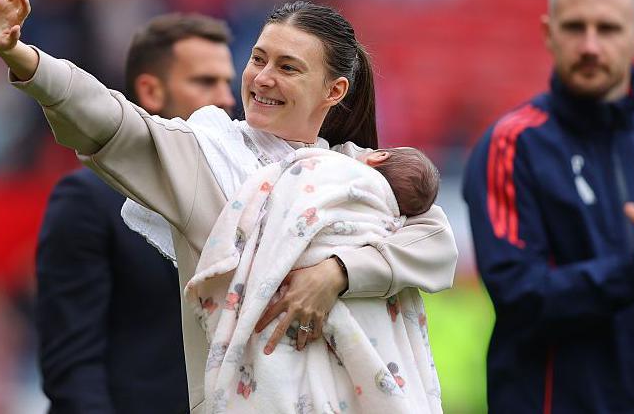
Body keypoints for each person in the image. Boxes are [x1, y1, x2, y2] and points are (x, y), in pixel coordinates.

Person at [0, 0, 458, 412]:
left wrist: (338, 272)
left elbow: (436, 244)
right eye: (258, 59)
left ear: (333, 92)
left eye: (289, 67)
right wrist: (24, 58)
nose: (263, 78)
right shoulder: (205, 155)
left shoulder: (360, 170)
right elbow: (113, 120)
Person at [462, 0, 634, 412]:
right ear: (549, 33)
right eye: (575, 27)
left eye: (608, 28)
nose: (590, 46)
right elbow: (520, 296)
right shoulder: (511, 145)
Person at [36, 14, 235, 413]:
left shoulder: (241, 195)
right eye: (205, 82)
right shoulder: (86, 200)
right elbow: (73, 370)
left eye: (228, 82)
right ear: (151, 90)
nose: (227, 98)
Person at [185, 146, 443, 413]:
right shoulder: (215, 140)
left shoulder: (336, 161)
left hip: (282, 295)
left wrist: (335, 271)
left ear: (379, 156)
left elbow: (440, 241)